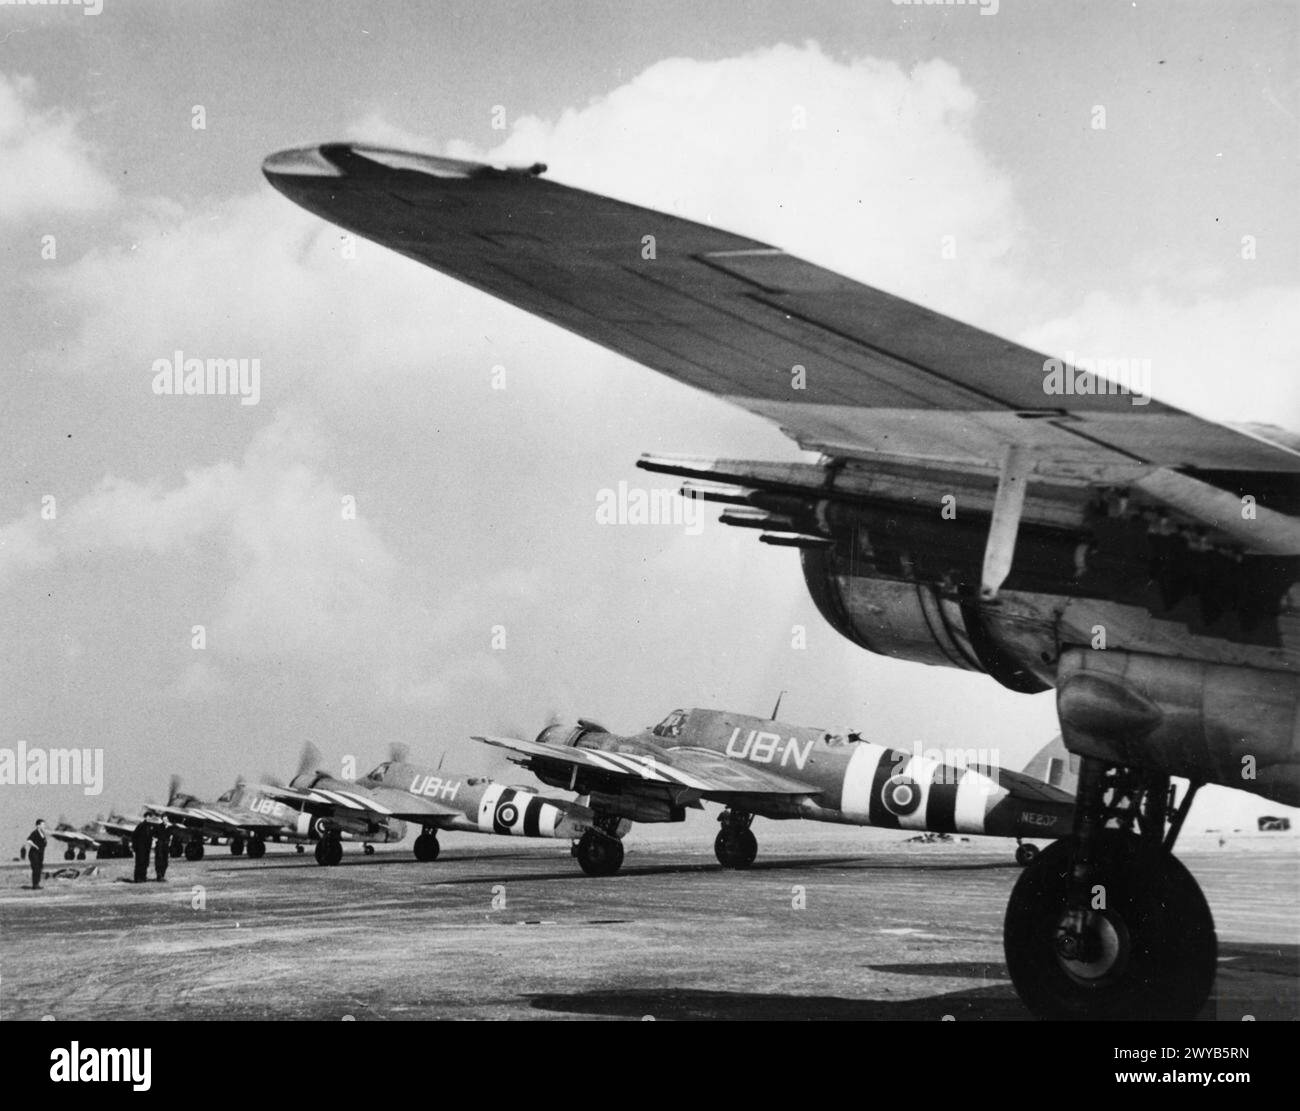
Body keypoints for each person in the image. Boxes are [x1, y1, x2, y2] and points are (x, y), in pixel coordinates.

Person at [24, 819, 48, 890]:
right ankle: (35, 885)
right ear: (38, 825)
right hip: (34, 854)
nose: (44, 826)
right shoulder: (35, 833)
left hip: (40, 854)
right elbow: (29, 840)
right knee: (36, 869)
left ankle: (37, 883)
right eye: (43, 825)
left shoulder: (43, 833)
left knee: (40, 868)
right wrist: (35, 846)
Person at [131, 817, 153, 883]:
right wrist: (135, 847)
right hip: (140, 848)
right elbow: (134, 836)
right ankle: (137, 878)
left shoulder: (150, 826)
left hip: (146, 848)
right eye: (148, 817)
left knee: (145, 863)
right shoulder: (141, 825)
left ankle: (143, 877)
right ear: (145, 817)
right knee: (140, 863)